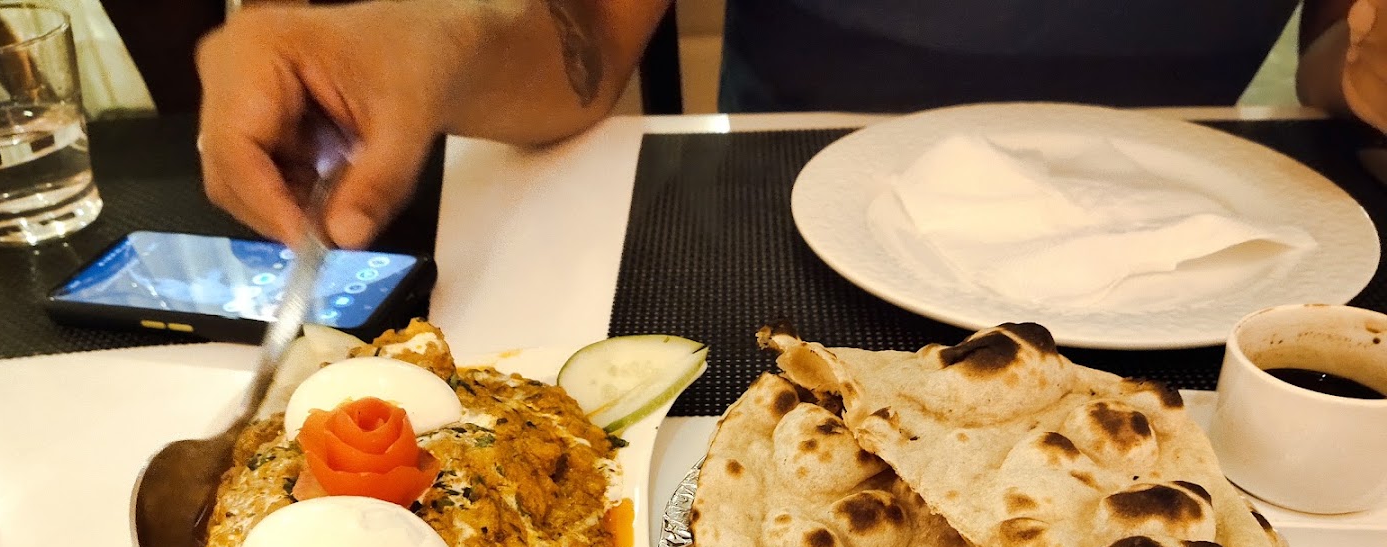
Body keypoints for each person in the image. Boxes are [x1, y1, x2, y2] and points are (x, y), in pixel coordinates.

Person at [193, 0, 1387, 252]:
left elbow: (1337, 61)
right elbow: (585, 40)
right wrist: (431, 39)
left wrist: (1373, 71)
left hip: (1219, 240)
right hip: (782, 225)